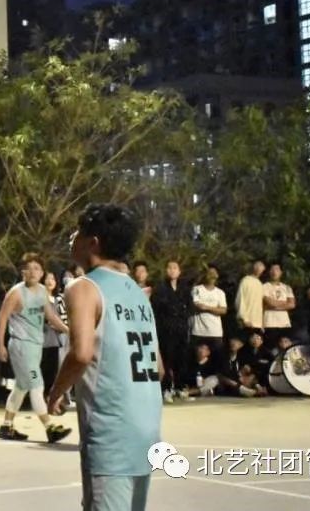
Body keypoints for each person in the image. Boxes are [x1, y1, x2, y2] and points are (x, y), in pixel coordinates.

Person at [47, 204, 162, 511]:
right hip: (147, 424)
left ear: (93, 243)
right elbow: (159, 367)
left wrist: (56, 391)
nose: (72, 237)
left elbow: (81, 353)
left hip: (112, 429)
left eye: (78, 232)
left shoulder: (84, 287)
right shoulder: (138, 293)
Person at [0, 253, 71, 444]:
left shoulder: (42, 292)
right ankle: (50, 427)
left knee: (21, 387)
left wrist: (69, 331)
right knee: (37, 386)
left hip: (36, 345)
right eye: (28, 268)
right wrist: (0, 345)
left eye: (36, 268)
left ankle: (6, 426)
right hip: (21, 345)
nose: (32, 272)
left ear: (42, 272)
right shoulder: (16, 293)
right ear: (22, 272)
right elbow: (2, 318)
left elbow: (51, 316)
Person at [151, 260, 191, 404]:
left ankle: (180, 387)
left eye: (175, 268)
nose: (172, 270)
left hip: (181, 328)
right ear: (166, 270)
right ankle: (166, 389)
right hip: (166, 328)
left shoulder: (184, 288)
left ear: (179, 271)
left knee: (181, 358)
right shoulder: (160, 288)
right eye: (170, 268)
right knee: (167, 358)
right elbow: (157, 307)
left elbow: (190, 306)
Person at [190, 267, 227, 361]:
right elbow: (197, 305)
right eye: (210, 273)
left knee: (216, 360)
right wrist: (215, 309)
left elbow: (223, 310)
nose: (212, 275)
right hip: (198, 331)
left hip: (215, 332)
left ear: (217, 276)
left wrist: (207, 307)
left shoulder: (220, 293)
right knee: (196, 360)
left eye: (214, 273)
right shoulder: (197, 289)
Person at [40, 271, 66, 401]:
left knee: (52, 371)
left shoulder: (57, 299)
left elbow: (63, 317)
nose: (50, 281)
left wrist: (61, 326)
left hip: (54, 340)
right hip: (41, 340)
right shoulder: (39, 298)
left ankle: (49, 398)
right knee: (41, 371)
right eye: (48, 278)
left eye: (53, 279)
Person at [261, 263, 295, 349]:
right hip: (269, 323)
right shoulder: (264, 287)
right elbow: (270, 303)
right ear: (269, 272)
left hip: (284, 323)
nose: (274, 272)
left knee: (285, 349)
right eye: (272, 269)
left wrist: (275, 306)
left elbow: (292, 304)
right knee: (271, 349)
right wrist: (285, 303)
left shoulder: (287, 287)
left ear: (281, 272)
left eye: (277, 269)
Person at [235, 261, 265, 335]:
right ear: (254, 268)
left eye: (261, 269)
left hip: (257, 324)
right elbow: (240, 299)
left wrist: (262, 323)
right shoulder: (245, 281)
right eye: (257, 267)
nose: (259, 270)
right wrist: (244, 319)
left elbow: (261, 305)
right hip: (246, 323)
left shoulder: (260, 284)